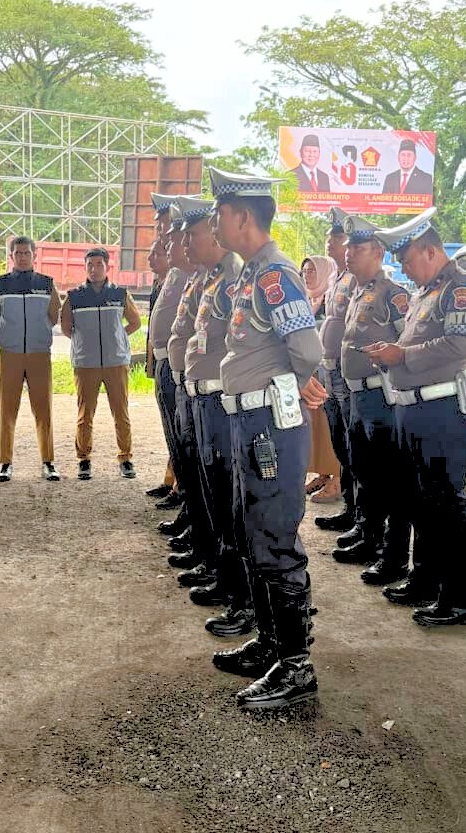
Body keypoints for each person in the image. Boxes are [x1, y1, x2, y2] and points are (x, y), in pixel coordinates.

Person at [206, 167, 327, 710]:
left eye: (220, 212)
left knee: (275, 539)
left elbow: (307, 352)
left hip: (271, 429)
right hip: (249, 423)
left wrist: (298, 381)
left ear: (244, 218)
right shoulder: (253, 275)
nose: (214, 221)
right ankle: (274, 645)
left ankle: (297, 666)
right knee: (251, 530)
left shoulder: (276, 276)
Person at [366, 208, 466, 627]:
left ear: (431, 251)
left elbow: (458, 346)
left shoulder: (462, 289)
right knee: (419, 500)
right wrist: (393, 353)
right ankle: (426, 580)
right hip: (412, 405)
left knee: (447, 503)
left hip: (443, 409)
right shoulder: (424, 293)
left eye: (407, 258)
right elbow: (415, 342)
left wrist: (402, 354)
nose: (402, 267)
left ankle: (460, 600)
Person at [179, 194, 253, 637]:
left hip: (225, 404)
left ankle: (241, 595)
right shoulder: (212, 280)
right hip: (205, 397)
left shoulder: (234, 280)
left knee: (231, 503)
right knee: (215, 496)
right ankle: (226, 580)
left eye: (195, 234)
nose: (188, 243)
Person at [335, 215, 412, 575]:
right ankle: (368, 535)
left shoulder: (393, 294)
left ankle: (393, 554)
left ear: (378, 252)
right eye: (348, 247)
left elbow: (407, 345)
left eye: (358, 248)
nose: (349, 254)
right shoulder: (357, 290)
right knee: (364, 469)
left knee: (390, 478)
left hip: (382, 397)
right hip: (357, 397)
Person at [160, 203, 220, 593]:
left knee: (217, 487)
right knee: (197, 476)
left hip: (219, 399)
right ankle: (205, 550)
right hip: (191, 388)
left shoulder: (231, 280)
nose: (180, 243)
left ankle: (221, 568)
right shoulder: (202, 281)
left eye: (188, 236)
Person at [61, 246, 141, 480]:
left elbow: (134, 322)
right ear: (85, 268)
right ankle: (84, 459)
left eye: (99, 265)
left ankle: (125, 458)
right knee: (85, 413)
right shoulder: (74, 297)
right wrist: (84, 343)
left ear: (107, 267)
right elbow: (66, 327)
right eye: (90, 265)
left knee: (121, 412)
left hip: (116, 362)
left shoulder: (120, 294)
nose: (94, 269)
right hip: (86, 364)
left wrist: (117, 337)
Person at [0, 236, 62, 481]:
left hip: (39, 354)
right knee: (7, 410)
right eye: (17, 253)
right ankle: (5, 462)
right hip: (10, 355)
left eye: (26, 253)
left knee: (43, 410)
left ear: (34, 256)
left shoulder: (47, 284)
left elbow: (53, 316)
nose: (22, 257)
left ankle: (48, 462)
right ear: (11, 256)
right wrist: (11, 336)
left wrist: (36, 334)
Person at [315, 208, 362, 536]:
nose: (332, 245)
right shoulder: (338, 279)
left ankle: (361, 515)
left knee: (355, 445)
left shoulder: (361, 280)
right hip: (331, 372)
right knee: (341, 444)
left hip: (349, 375)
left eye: (337, 240)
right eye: (331, 240)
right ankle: (350, 508)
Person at [150, 195, 196, 527]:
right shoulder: (176, 270)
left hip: (185, 370)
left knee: (188, 443)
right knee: (176, 438)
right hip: (168, 362)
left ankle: (189, 504)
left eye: (170, 232)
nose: (163, 236)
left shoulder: (190, 274)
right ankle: (184, 498)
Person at [301, 255, 343, 505]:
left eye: (312, 271)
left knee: (330, 427)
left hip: (328, 371)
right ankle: (322, 473)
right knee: (316, 427)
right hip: (311, 371)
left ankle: (336, 478)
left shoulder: (332, 297)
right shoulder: (307, 298)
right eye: (305, 271)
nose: (308, 275)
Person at [144, 235, 178, 504]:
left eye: (157, 253)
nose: (151, 258)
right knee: (170, 428)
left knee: (180, 430)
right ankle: (171, 480)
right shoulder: (161, 283)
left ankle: (179, 486)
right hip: (161, 360)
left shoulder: (179, 282)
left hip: (176, 364)